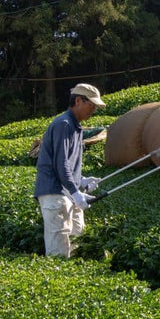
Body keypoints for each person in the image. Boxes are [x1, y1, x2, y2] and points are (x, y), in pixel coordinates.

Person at [34, 83, 106, 257]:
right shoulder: (64, 124)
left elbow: (67, 163)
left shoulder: (76, 127)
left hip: (67, 192)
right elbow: (61, 163)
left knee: (77, 238)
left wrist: (80, 180)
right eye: (92, 105)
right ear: (78, 101)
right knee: (59, 248)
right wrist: (76, 191)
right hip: (55, 192)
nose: (93, 110)